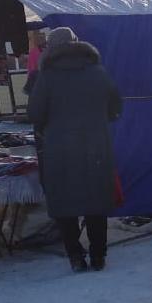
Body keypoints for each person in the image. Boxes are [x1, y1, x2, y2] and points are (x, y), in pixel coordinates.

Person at [28, 26, 122, 273]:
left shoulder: (47, 77)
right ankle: (99, 256)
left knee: (65, 204)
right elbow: (115, 108)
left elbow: (35, 114)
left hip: (60, 148)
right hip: (96, 147)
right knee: (96, 202)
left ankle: (75, 256)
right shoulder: (97, 72)